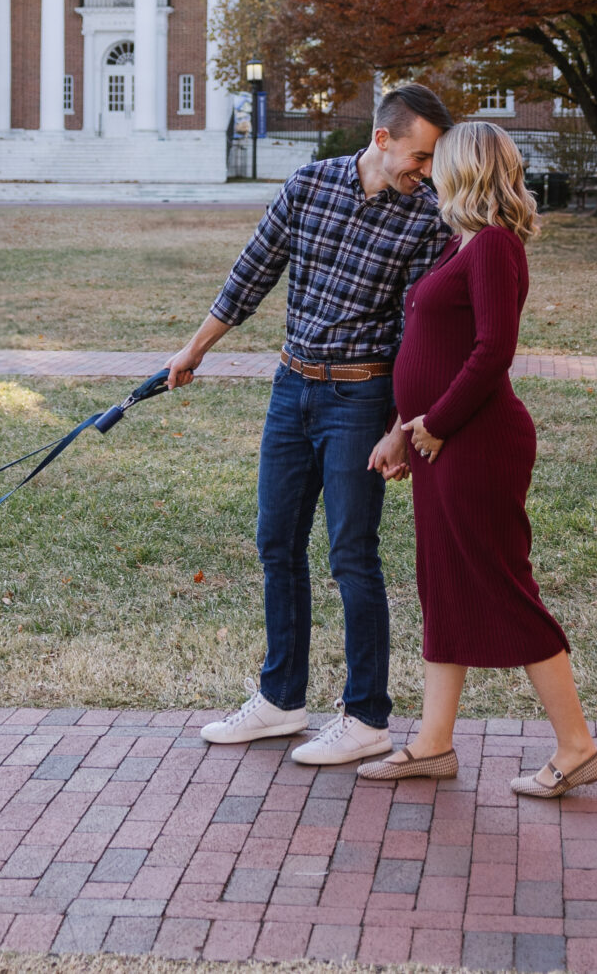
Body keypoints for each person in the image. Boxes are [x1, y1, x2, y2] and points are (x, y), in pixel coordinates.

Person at [167, 83, 455, 767]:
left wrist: (399, 426)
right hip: (292, 388)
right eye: (419, 156)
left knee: (352, 553)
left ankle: (366, 717)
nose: (426, 171)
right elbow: (251, 272)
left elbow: (415, 335)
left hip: (361, 398)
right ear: (382, 139)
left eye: (433, 161)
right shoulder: (309, 186)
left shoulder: (427, 220)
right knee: (276, 541)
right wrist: (194, 348)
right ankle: (280, 699)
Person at [359, 123, 597, 797]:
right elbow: (431, 346)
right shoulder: (455, 244)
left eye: (441, 160)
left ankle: (577, 745)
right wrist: (402, 430)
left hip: (479, 442)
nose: (429, 169)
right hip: (441, 441)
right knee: (443, 585)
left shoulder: (494, 246)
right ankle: (433, 743)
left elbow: (494, 350)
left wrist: (434, 423)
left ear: (465, 168)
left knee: (500, 585)